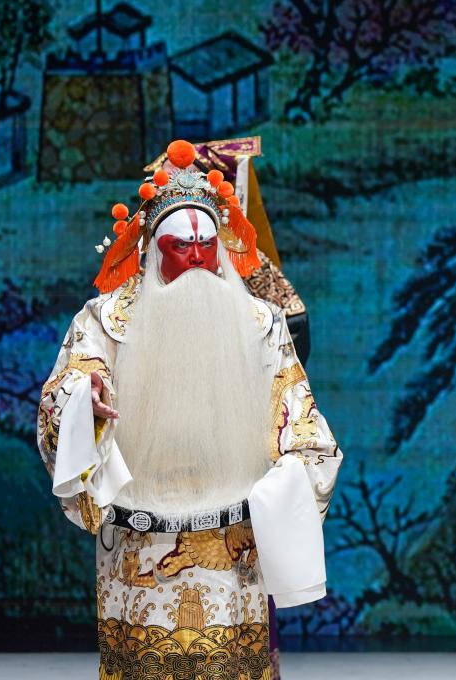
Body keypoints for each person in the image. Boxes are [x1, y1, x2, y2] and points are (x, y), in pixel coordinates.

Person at [37, 139, 342, 680]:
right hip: (138, 544)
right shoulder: (106, 320)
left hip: (232, 546)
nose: (198, 257)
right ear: (155, 251)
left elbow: (300, 419)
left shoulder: (261, 324)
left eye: (207, 244)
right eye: (181, 246)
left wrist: (295, 469)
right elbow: (69, 384)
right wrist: (86, 400)